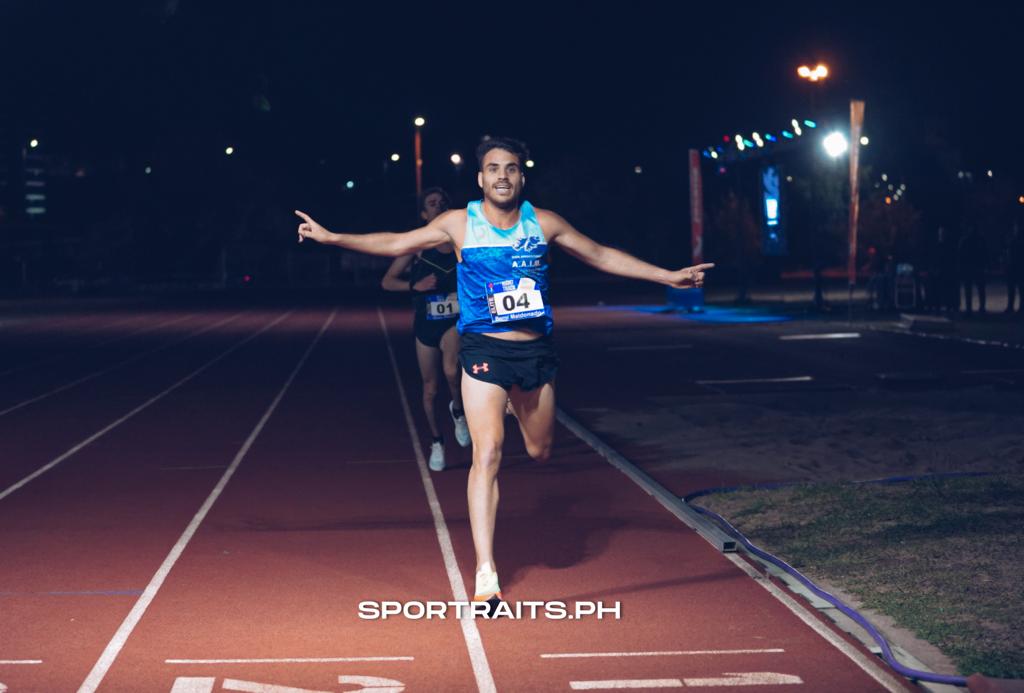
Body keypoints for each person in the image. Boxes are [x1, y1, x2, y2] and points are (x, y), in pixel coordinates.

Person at [295, 136, 712, 609]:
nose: (501, 176)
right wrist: (333, 238)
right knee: (487, 453)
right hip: (482, 352)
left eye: (510, 168)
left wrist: (667, 276)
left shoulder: (545, 223)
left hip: (535, 355)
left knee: (539, 451)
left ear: (521, 177)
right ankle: (486, 572)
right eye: (493, 168)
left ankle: (517, 408)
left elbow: (599, 254)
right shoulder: (458, 223)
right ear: (480, 178)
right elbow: (396, 242)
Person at [381, 187, 470, 471]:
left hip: (454, 321)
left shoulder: (462, 242)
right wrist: (414, 286)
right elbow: (387, 282)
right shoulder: (417, 246)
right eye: (432, 204)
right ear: (424, 213)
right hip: (425, 324)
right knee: (430, 390)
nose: (439, 206)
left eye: (443, 202)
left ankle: (458, 411)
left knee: (452, 370)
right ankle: (437, 441)